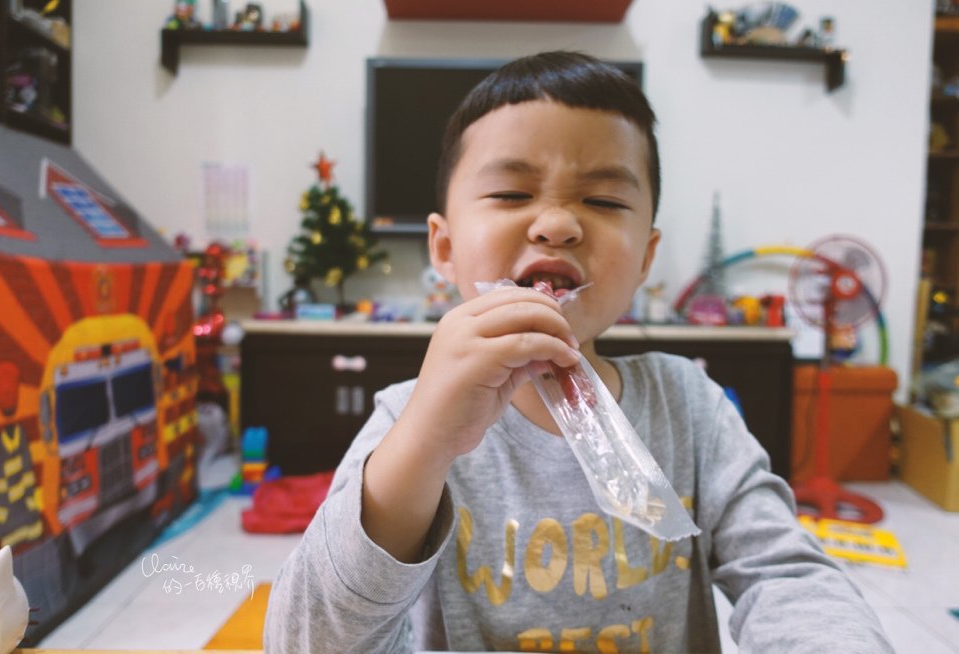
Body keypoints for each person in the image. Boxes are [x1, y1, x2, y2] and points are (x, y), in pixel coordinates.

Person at [264, 51, 892, 653]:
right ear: (445, 247)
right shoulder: (406, 420)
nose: (558, 225)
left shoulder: (691, 410)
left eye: (604, 201)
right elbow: (308, 641)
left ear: (646, 257)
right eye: (512, 195)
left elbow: (788, 579)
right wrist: (426, 440)